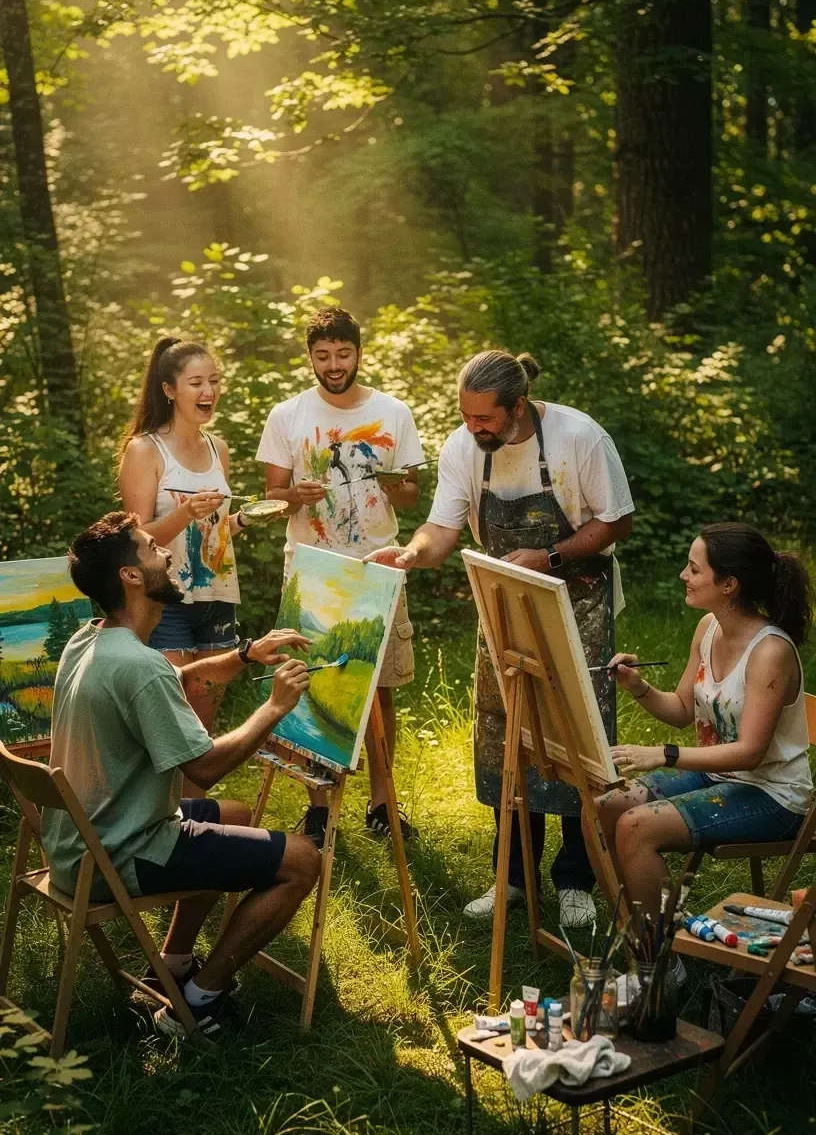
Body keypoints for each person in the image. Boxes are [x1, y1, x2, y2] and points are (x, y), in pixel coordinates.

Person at [366, 350, 634, 929]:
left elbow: (617, 520)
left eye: (484, 418)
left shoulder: (578, 437)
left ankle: (574, 880)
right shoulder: (466, 449)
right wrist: (410, 554)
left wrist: (551, 554)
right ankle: (513, 877)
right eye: (466, 417)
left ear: (517, 407)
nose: (473, 428)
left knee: (575, 737)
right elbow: (441, 528)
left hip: (578, 600)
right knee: (504, 735)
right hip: (504, 607)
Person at [42, 511, 321, 1039]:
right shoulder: (138, 667)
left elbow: (179, 676)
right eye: (151, 548)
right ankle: (199, 1001)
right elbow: (206, 767)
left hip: (80, 845)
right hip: (121, 853)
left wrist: (244, 655)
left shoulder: (90, 639)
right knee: (303, 861)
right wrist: (273, 708)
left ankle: (172, 963)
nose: (166, 553)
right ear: (130, 576)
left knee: (236, 817)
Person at [589, 523, 813, 942]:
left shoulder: (770, 651)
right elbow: (680, 710)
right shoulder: (709, 628)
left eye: (694, 569)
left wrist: (664, 754)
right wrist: (638, 685)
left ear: (729, 584)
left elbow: (748, 754)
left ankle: (658, 960)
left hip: (773, 794)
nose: (683, 576)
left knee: (636, 827)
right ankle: (641, 933)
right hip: (720, 776)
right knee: (607, 806)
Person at [256, 306, 426, 847]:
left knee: (380, 693)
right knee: (311, 687)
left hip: (379, 564)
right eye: (323, 356)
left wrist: (395, 485)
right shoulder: (287, 415)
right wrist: (293, 497)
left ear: (358, 352)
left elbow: (411, 493)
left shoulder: (393, 412)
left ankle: (381, 804)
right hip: (313, 569)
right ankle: (319, 810)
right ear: (310, 357)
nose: (333, 365)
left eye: (343, 354)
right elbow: (270, 498)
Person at [119, 338, 254, 789]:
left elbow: (211, 531)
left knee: (202, 732)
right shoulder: (145, 450)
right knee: (169, 725)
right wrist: (185, 512)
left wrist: (243, 520)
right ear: (169, 389)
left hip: (217, 600)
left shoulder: (219, 448)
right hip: (167, 603)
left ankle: (196, 826)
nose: (208, 391)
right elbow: (134, 539)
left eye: (214, 381)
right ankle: (160, 825)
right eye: (196, 382)